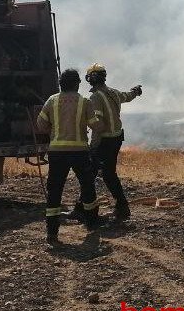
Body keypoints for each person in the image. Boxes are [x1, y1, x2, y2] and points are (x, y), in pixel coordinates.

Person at [36, 68, 101, 244]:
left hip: (57, 152)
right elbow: (96, 126)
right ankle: (92, 223)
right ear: (77, 84)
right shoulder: (84, 102)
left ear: (61, 84)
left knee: (55, 191)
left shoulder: (52, 100)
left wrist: (55, 132)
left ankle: (52, 232)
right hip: (79, 152)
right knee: (87, 186)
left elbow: (40, 124)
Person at [83, 62, 142, 222]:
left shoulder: (95, 97)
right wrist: (135, 91)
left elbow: (98, 126)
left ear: (90, 79)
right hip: (116, 139)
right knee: (109, 174)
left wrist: (92, 147)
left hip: (104, 142)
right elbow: (127, 96)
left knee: (89, 175)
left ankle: (85, 210)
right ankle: (122, 207)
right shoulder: (113, 93)